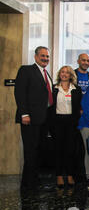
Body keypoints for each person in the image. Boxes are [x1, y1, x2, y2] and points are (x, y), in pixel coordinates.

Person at [14, 46, 54, 192]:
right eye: (43, 56)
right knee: (31, 151)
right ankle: (29, 184)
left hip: (43, 120)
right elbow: (19, 93)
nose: (45, 59)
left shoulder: (46, 74)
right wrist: (24, 114)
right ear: (36, 57)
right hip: (30, 119)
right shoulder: (26, 70)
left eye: (47, 57)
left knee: (38, 151)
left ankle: (32, 181)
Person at [50, 66, 82, 188]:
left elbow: (78, 107)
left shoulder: (76, 89)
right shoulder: (53, 89)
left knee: (70, 149)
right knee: (58, 149)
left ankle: (69, 174)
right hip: (57, 121)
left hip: (71, 122)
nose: (64, 74)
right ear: (59, 74)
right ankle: (58, 175)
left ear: (71, 75)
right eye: (62, 72)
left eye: (67, 72)